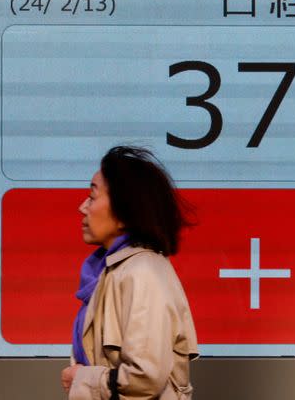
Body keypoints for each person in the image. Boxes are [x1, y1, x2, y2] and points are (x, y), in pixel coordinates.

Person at [61, 146, 199, 399]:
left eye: (92, 197)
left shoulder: (143, 272)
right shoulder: (115, 271)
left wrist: (81, 378)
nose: (83, 208)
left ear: (125, 211)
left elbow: (144, 378)